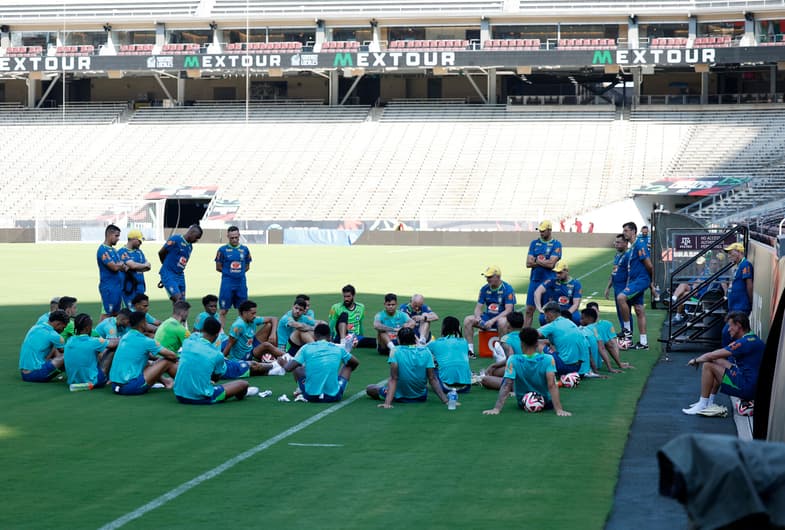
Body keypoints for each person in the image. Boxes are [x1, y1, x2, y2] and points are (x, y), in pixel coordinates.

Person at [682, 312, 764, 416]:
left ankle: (703, 404)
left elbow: (711, 355)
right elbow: (716, 356)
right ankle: (709, 402)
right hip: (750, 382)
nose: (728, 329)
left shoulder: (744, 342)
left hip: (747, 387)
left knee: (708, 365)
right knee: (717, 361)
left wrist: (696, 360)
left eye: (730, 326)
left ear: (738, 325)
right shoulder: (751, 339)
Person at [482, 327, 571, 416]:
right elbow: (552, 385)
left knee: (486, 379)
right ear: (537, 344)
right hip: (546, 403)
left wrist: (496, 408)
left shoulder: (513, 360)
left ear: (521, 343)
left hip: (523, 403)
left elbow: (507, 384)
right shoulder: (548, 359)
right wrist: (559, 409)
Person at [174, 317, 256, 404]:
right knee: (243, 384)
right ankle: (239, 394)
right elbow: (216, 378)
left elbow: (195, 335)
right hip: (200, 397)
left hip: (179, 395)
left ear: (202, 330)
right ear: (217, 335)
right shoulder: (217, 355)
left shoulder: (187, 342)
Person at [366, 327, 450, 408]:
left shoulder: (395, 351)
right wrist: (446, 401)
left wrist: (387, 403)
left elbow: (393, 378)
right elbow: (432, 378)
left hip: (399, 396)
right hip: (420, 396)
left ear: (398, 339)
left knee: (370, 388)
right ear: (414, 338)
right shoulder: (426, 351)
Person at [284, 323, 360, 403]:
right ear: (330, 336)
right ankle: (334, 384)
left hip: (310, 396)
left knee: (298, 368)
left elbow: (288, 368)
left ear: (315, 336)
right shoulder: (338, 348)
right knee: (348, 365)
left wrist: (284, 364)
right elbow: (355, 362)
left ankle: (302, 388)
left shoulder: (306, 347)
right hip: (333, 397)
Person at [108, 311, 179, 395]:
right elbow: (172, 356)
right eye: (146, 322)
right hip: (130, 387)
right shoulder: (146, 341)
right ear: (142, 323)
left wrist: (158, 360)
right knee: (167, 360)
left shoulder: (125, 336)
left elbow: (141, 355)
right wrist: (178, 359)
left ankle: (166, 382)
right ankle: (184, 384)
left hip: (115, 386)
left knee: (146, 362)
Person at [463, 265, 517, 358]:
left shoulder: (507, 289)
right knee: (468, 320)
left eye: (490, 277)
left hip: (502, 319)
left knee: (502, 322)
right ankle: (470, 351)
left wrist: (493, 321)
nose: (487, 279)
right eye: (487, 277)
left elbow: (509, 310)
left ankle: (502, 351)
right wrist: (478, 318)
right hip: (487, 318)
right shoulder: (484, 289)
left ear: (498, 276)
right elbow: (478, 307)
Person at [617, 222, 653, 350]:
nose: (625, 232)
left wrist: (650, 282)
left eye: (626, 230)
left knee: (621, 298)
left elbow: (649, 265)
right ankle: (643, 343)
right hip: (635, 281)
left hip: (640, 280)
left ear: (633, 231)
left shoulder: (639, 245)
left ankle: (626, 330)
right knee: (639, 309)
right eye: (624, 230)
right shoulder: (633, 247)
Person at [223, 300, 284, 368]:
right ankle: (289, 357)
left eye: (255, 313)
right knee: (266, 345)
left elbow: (274, 319)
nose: (255, 316)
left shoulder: (253, 319)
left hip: (252, 346)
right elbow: (229, 343)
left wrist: (273, 334)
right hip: (245, 356)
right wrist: (221, 359)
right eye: (252, 313)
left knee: (270, 325)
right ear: (245, 313)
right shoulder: (238, 326)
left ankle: (275, 355)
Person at [524, 220, 562, 328]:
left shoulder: (556, 244)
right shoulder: (534, 243)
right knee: (529, 310)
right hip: (535, 280)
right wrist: (544, 261)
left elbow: (551, 264)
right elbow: (528, 263)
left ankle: (549, 337)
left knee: (548, 312)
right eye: (540, 231)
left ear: (550, 230)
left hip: (548, 282)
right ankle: (525, 336)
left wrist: (536, 260)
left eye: (543, 231)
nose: (541, 233)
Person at [64, 314, 118, 390]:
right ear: (87, 328)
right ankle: (111, 378)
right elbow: (114, 344)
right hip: (94, 381)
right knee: (111, 350)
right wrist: (122, 338)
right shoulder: (94, 341)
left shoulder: (70, 340)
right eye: (91, 326)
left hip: (73, 381)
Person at [215, 226, 252, 328]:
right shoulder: (222, 250)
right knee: (223, 310)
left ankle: (241, 334)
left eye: (236, 237)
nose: (234, 240)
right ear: (228, 236)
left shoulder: (245, 250)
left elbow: (247, 266)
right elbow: (218, 267)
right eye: (232, 238)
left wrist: (238, 273)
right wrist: (230, 273)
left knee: (243, 310)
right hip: (227, 284)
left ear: (239, 236)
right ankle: (220, 336)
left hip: (241, 284)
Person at [537, 302, 588, 376]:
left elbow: (530, 335)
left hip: (564, 367)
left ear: (550, 314)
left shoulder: (552, 325)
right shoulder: (570, 323)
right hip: (577, 368)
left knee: (536, 343)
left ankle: (530, 367)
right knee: (546, 343)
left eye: (545, 315)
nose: (544, 318)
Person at [426, 316, 472, 393]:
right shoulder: (464, 342)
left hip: (444, 387)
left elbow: (421, 351)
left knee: (429, 362)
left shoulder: (436, 343)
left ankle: (419, 385)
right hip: (465, 387)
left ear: (443, 328)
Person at [18, 310, 67, 382]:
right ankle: (77, 377)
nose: (63, 330)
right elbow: (67, 353)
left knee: (54, 347)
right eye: (63, 327)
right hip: (36, 374)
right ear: (58, 323)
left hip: (24, 374)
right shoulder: (54, 335)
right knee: (67, 355)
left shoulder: (35, 327)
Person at [158, 224, 203, 302]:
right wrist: (166, 268)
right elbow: (161, 252)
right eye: (196, 237)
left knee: (182, 301)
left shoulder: (190, 247)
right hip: (169, 273)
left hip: (180, 276)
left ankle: (176, 314)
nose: (196, 240)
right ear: (191, 232)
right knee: (178, 299)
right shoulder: (176, 239)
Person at [723, 242, 753, 345]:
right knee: (730, 334)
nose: (729, 256)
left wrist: (750, 301)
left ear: (739, 252)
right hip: (735, 307)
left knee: (727, 333)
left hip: (741, 307)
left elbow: (749, 284)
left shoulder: (745, 264)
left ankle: (729, 358)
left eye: (731, 253)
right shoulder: (738, 266)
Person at [533, 261, 582, 325]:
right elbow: (537, 292)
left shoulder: (576, 284)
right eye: (556, 273)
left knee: (576, 319)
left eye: (560, 273)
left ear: (566, 271)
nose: (557, 275)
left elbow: (576, 304)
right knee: (542, 318)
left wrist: (566, 315)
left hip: (568, 310)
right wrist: (539, 308)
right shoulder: (552, 281)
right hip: (554, 310)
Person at [328, 284, 376, 349]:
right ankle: (343, 342)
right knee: (344, 315)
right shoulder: (336, 307)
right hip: (340, 336)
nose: (346, 299)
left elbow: (360, 323)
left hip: (354, 337)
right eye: (344, 296)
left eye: (348, 296)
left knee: (376, 342)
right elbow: (331, 324)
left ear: (353, 296)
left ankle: (349, 343)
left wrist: (361, 336)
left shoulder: (361, 307)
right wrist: (330, 340)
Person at [605, 233, 633, 336]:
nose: (616, 244)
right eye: (615, 242)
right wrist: (608, 287)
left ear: (626, 243)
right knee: (620, 312)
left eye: (618, 242)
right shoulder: (617, 255)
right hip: (617, 287)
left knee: (626, 312)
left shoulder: (628, 256)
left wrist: (628, 287)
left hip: (624, 287)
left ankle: (628, 333)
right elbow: (614, 272)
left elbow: (631, 273)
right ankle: (624, 330)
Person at [97, 224, 127, 319]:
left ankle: (113, 333)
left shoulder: (113, 250)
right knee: (107, 315)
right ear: (109, 235)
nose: (118, 239)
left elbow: (123, 267)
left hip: (117, 287)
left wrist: (120, 265)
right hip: (108, 288)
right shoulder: (103, 250)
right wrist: (119, 265)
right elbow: (114, 267)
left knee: (115, 315)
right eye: (116, 236)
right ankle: (99, 333)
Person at [118, 229, 151, 309]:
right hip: (128, 287)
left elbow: (149, 266)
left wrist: (138, 266)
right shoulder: (122, 252)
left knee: (141, 310)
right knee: (130, 311)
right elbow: (133, 265)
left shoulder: (139, 252)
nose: (141, 243)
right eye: (139, 241)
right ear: (133, 239)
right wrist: (142, 266)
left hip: (140, 287)